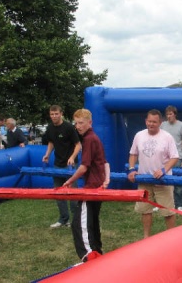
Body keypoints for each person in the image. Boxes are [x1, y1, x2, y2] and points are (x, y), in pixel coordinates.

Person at [63, 108, 110, 262]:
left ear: (90, 122)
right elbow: (104, 162)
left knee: (79, 224)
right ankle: (97, 252)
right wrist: (106, 180)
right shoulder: (94, 138)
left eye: (81, 123)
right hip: (98, 186)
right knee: (92, 222)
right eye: (76, 123)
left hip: (91, 188)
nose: (78, 126)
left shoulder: (89, 139)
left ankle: (88, 255)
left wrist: (69, 181)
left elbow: (84, 167)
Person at [128, 109, 179, 238]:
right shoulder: (139, 135)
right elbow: (133, 154)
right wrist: (132, 169)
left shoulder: (167, 137)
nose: (151, 124)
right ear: (146, 121)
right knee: (145, 210)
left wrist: (163, 170)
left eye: (154, 122)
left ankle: (172, 238)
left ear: (160, 123)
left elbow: (174, 157)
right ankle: (146, 238)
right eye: (149, 121)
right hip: (144, 180)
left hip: (163, 181)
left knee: (168, 211)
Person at [42, 105, 81, 228]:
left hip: (70, 166)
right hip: (57, 165)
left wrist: (72, 157)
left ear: (61, 114)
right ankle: (64, 220)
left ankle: (76, 221)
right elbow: (51, 142)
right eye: (52, 114)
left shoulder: (69, 127)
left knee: (72, 194)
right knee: (58, 193)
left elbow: (78, 145)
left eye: (56, 114)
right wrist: (47, 155)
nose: (54, 116)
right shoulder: (50, 128)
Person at [160, 105, 182, 212]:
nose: (168, 116)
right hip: (165, 158)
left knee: (178, 183)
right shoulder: (162, 125)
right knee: (163, 182)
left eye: (170, 114)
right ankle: (163, 204)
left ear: (175, 114)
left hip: (178, 158)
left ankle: (179, 204)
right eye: (167, 114)